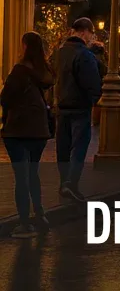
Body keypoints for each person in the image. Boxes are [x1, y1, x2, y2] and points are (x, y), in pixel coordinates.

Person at [2, 33, 55, 237]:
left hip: (18, 129)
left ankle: (24, 223)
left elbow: (5, 99)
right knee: (33, 174)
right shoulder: (44, 72)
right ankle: (40, 214)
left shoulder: (19, 71)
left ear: (24, 46)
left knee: (21, 177)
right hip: (39, 130)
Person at [53, 17, 103, 202]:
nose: (91, 38)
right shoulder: (85, 55)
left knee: (63, 147)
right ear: (84, 32)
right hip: (80, 106)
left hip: (62, 104)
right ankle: (71, 184)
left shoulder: (59, 52)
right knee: (79, 147)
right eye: (91, 34)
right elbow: (92, 83)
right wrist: (95, 98)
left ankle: (62, 182)